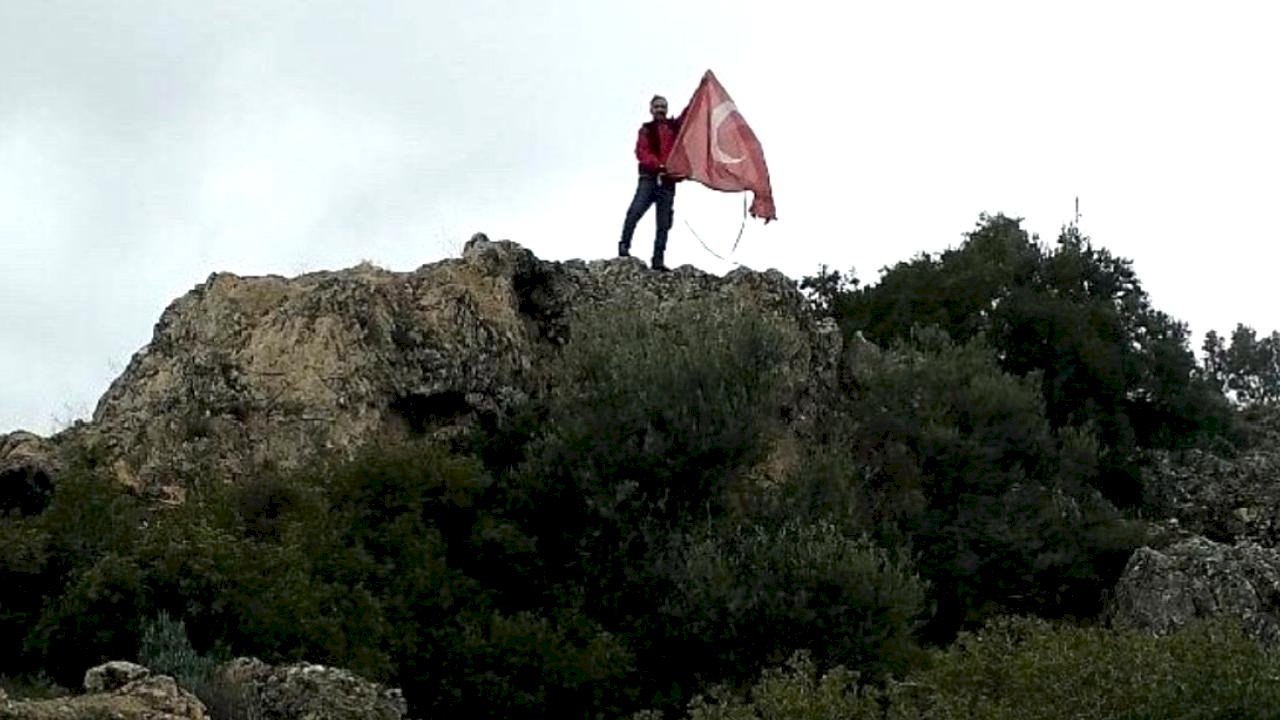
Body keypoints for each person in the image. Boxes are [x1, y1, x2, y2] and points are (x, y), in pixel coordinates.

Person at [619, 94, 683, 270]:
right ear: (651, 109)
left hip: (667, 183)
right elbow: (641, 152)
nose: (660, 109)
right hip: (649, 179)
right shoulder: (646, 130)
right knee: (634, 212)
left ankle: (658, 260)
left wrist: (703, 86)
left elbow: (690, 114)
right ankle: (624, 246)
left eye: (663, 106)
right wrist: (660, 165)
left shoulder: (675, 128)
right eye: (657, 107)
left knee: (664, 223)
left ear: (667, 109)